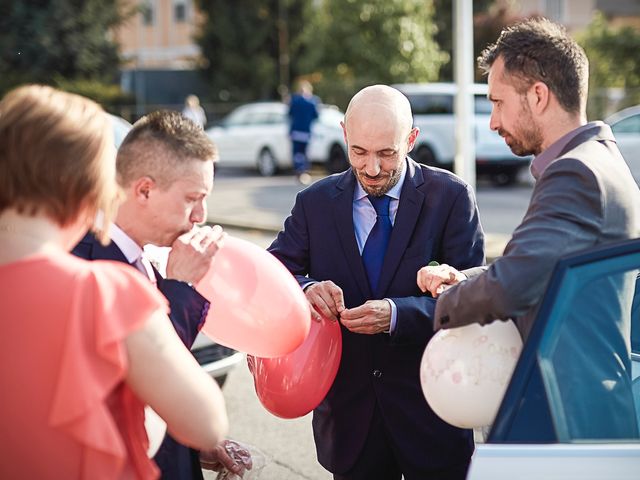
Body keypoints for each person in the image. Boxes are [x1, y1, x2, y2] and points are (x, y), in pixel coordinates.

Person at [0, 85, 228, 479]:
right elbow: (203, 418)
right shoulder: (103, 289)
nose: (200, 216)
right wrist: (180, 289)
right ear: (89, 186)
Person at [268, 84, 485, 480]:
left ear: (411, 140)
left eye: (387, 153)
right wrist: (306, 287)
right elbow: (273, 270)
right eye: (359, 152)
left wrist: (397, 316)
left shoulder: (451, 197)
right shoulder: (314, 203)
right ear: (344, 135)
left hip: (432, 418)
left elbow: (473, 298)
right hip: (350, 423)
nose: (371, 168)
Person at [416, 18, 640, 340]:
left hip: (564, 389)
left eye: (497, 103)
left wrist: (441, 304)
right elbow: (536, 267)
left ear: (538, 96)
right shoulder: (599, 160)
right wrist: (464, 280)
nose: (492, 122)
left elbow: (512, 286)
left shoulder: (576, 173)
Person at [72, 110, 251, 479]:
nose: (201, 215)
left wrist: (194, 440)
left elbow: (166, 390)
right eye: (192, 198)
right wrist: (181, 287)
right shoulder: (80, 265)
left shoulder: (145, 257)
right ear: (144, 189)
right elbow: (122, 393)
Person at [288, 80, 319, 185]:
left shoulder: (294, 101)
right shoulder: (312, 102)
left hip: (296, 131)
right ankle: (304, 172)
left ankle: (298, 171)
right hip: (306, 131)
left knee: (297, 153)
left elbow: (289, 114)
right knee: (305, 153)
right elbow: (316, 116)